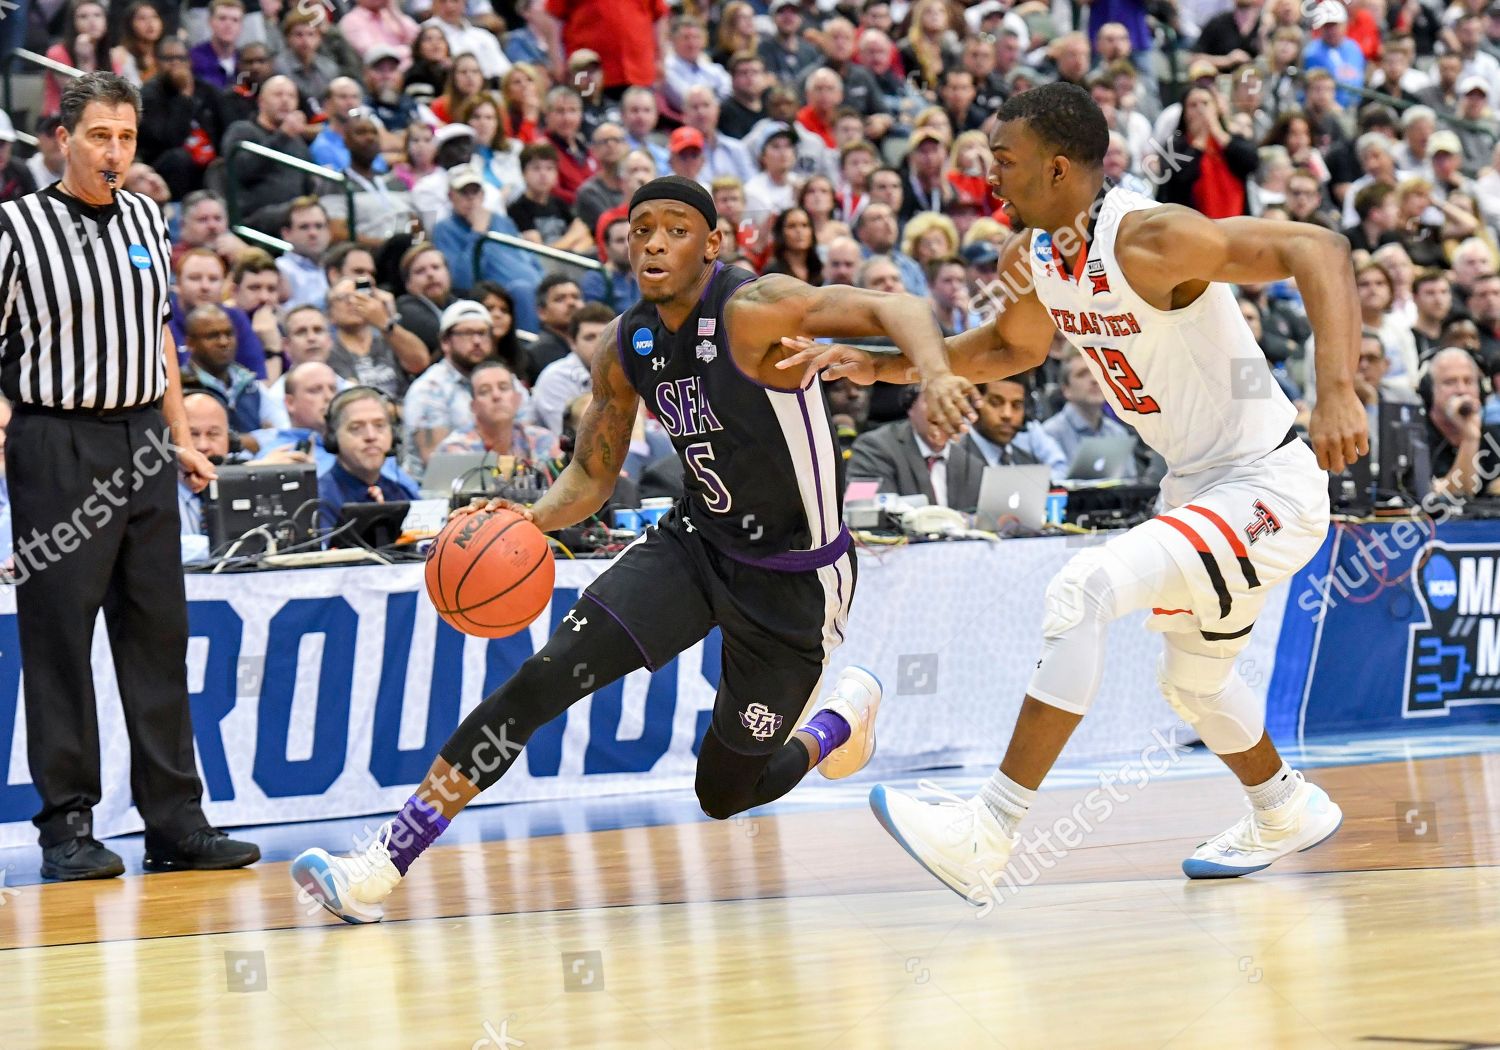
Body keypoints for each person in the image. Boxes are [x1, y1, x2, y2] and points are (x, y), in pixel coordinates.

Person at [290, 174, 976, 923]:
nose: (652, 240)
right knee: (539, 682)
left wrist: (936, 373)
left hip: (794, 582)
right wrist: (528, 518)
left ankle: (836, 723)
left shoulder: (755, 309)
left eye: (676, 228)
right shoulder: (629, 344)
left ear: (714, 243)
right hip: (694, 547)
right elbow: (590, 473)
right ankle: (382, 863)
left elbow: (897, 305)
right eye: (640, 227)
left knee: (724, 794)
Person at [778, 83, 1368, 904]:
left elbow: (1320, 248)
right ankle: (1283, 806)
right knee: (1193, 683)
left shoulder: (1151, 237)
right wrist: (880, 365)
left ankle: (989, 833)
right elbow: (1008, 348)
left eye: (1005, 164)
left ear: (1058, 169)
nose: (989, 181)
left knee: (1081, 589)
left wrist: (1337, 389)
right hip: (1198, 485)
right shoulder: (1041, 257)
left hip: (1267, 482)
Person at [0, 72, 259, 879]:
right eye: (99, 136)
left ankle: (175, 820)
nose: (114, 152)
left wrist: (180, 437)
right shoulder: (14, 229)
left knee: (157, 636)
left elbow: (158, 342)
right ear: (62, 139)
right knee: (59, 643)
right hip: (56, 442)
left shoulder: (149, 216)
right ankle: (66, 827)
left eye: (126, 137)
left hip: (143, 441)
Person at [847, 387, 988, 509]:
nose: (943, 412)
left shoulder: (973, 465)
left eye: (954, 403)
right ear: (910, 406)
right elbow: (860, 510)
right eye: (934, 401)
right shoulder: (872, 448)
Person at [401, 301, 493, 479]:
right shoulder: (429, 388)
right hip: (435, 494)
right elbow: (439, 466)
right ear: (445, 342)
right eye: (467, 333)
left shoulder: (505, 381)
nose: (476, 341)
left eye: (482, 333)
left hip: (492, 484)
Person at [315, 387, 420, 530]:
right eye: (356, 427)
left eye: (379, 425)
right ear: (333, 437)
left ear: (393, 435)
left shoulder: (402, 492)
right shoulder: (319, 500)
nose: (371, 436)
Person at [432, 360, 557, 460]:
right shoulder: (455, 450)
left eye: (503, 388)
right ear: (473, 406)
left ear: (517, 399)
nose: (496, 396)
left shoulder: (542, 440)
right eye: (484, 391)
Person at [527, 302, 612, 434]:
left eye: (606, 336)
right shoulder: (555, 378)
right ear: (572, 342)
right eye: (590, 337)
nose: (599, 344)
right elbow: (574, 436)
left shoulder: (626, 370)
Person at [1041, 348, 1133, 463]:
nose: (1094, 379)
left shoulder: (1118, 434)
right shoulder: (1048, 435)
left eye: (1098, 372)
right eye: (1082, 374)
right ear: (1066, 389)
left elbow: (1132, 480)